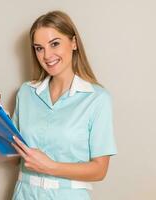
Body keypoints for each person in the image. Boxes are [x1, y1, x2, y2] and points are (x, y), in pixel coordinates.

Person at [10, 10, 117, 200]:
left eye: (55, 44)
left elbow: (100, 170)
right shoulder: (26, 93)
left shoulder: (97, 99)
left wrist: (51, 167)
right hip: (24, 194)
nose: (47, 55)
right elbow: (12, 156)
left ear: (74, 42)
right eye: (39, 48)